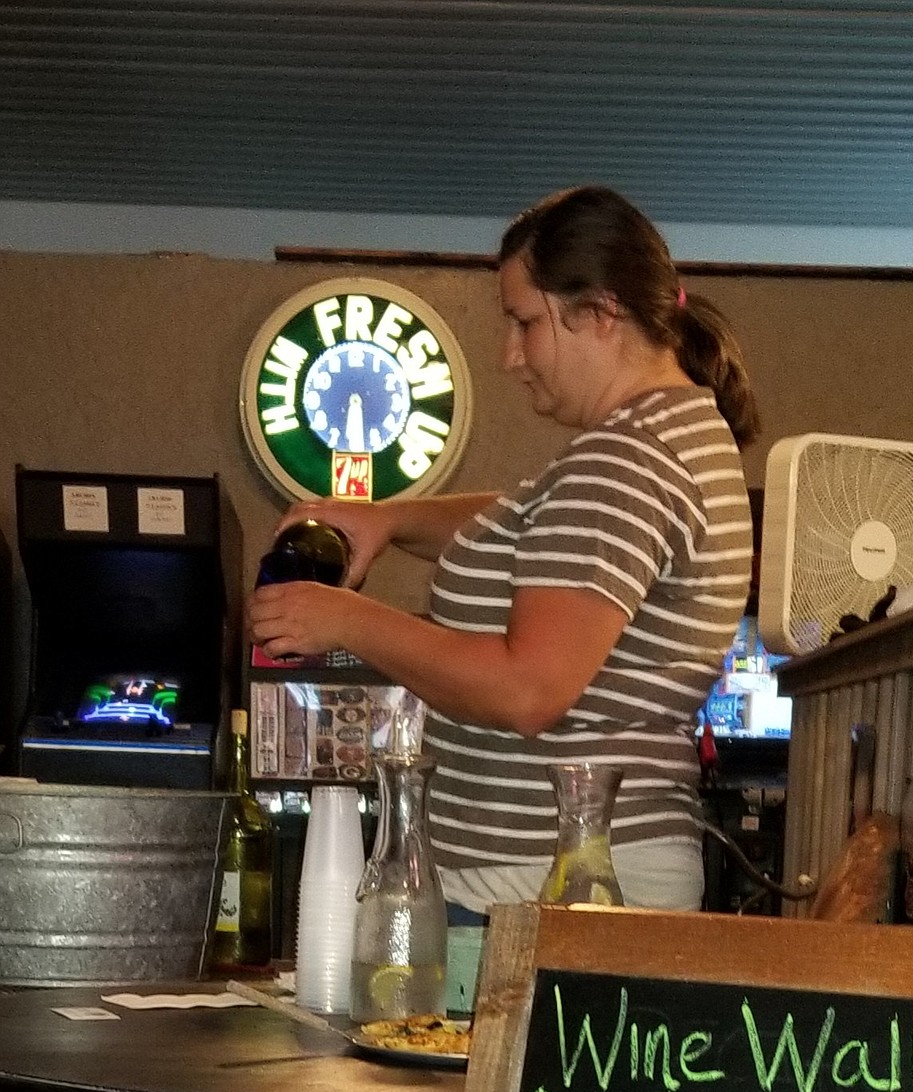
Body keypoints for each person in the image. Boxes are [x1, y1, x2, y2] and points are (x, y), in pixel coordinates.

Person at [248, 184, 759, 911]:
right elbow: (536, 520)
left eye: (524, 322)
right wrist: (389, 520)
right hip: (570, 875)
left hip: (544, 885)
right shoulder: (669, 437)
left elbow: (528, 690)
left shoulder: (624, 461)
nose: (510, 355)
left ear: (598, 312)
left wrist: (345, 622)